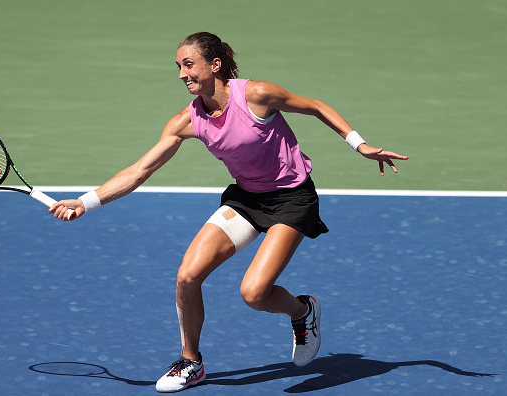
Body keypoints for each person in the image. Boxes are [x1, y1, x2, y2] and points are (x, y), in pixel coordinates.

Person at [50, 32, 408, 393]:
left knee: (254, 294)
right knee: (187, 277)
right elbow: (140, 171)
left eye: (188, 64)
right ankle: (191, 362)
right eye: (178, 67)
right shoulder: (185, 121)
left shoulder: (256, 95)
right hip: (246, 199)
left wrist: (358, 144)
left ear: (215, 65)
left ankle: (302, 312)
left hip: (291, 199)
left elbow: (314, 106)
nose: (181, 74)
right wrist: (86, 201)